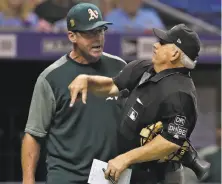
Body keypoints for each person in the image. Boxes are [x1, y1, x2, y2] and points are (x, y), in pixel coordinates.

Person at [68, 24, 202, 184]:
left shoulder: (181, 93)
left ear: (174, 54)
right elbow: (112, 85)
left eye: (163, 43)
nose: (155, 44)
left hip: (158, 176)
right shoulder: (145, 68)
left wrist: (125, 159)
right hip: (126, 169)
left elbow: (170, 142)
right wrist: (87, 80)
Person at [21, 3, 126, 184]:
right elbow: (33, 134)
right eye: (89, 33)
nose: (98, 38)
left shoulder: (120, 68)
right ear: (72, 36)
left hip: (109, 176)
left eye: (101, 31)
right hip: (66, 176)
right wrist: (28, 180)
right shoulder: (51, 77)